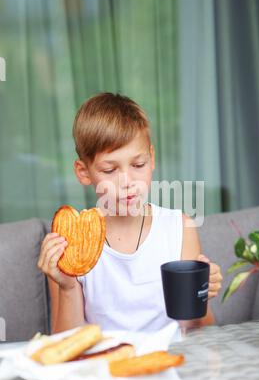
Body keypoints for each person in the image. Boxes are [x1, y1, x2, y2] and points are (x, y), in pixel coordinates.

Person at [38, 93, 223, 334]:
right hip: (104, 368)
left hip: (169, 364)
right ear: (84, 172)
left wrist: (200, 295)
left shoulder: (179, 228)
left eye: (138, 165)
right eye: (109, 169)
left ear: (152, 158)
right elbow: (66, 345)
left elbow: (200, 331)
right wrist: (68, 288)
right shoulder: (71, 243)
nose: (127, 182)